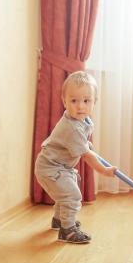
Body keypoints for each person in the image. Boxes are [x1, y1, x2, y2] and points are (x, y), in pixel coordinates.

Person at [35, 71, 117, 244]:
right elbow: (86, 156)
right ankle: (68, 230)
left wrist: (86, 145)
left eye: (86, 101)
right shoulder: (71, 128)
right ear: (64, 101)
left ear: (95, 102)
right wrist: (104, 170)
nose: (80, 106)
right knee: (72, 195)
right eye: (74, 101)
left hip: (59, 166)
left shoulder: (84, 121)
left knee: (65, 192)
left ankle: (60, 220)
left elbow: (83, 145)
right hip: (51, 168)